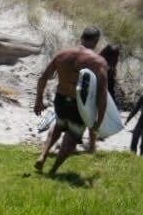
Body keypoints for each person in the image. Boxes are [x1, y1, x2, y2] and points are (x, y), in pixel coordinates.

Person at [34, 26, 108, 176]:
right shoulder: (98, 62)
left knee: (59, 125)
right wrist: (98, 122)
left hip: (60, 99)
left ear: (82, 37)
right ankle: (53, 170)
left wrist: (38, 100)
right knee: (72, 136)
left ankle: (43, 155)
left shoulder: (63, 54)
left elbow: (43, 78)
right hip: (80, 105)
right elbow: (102, 95)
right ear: (96, 41)